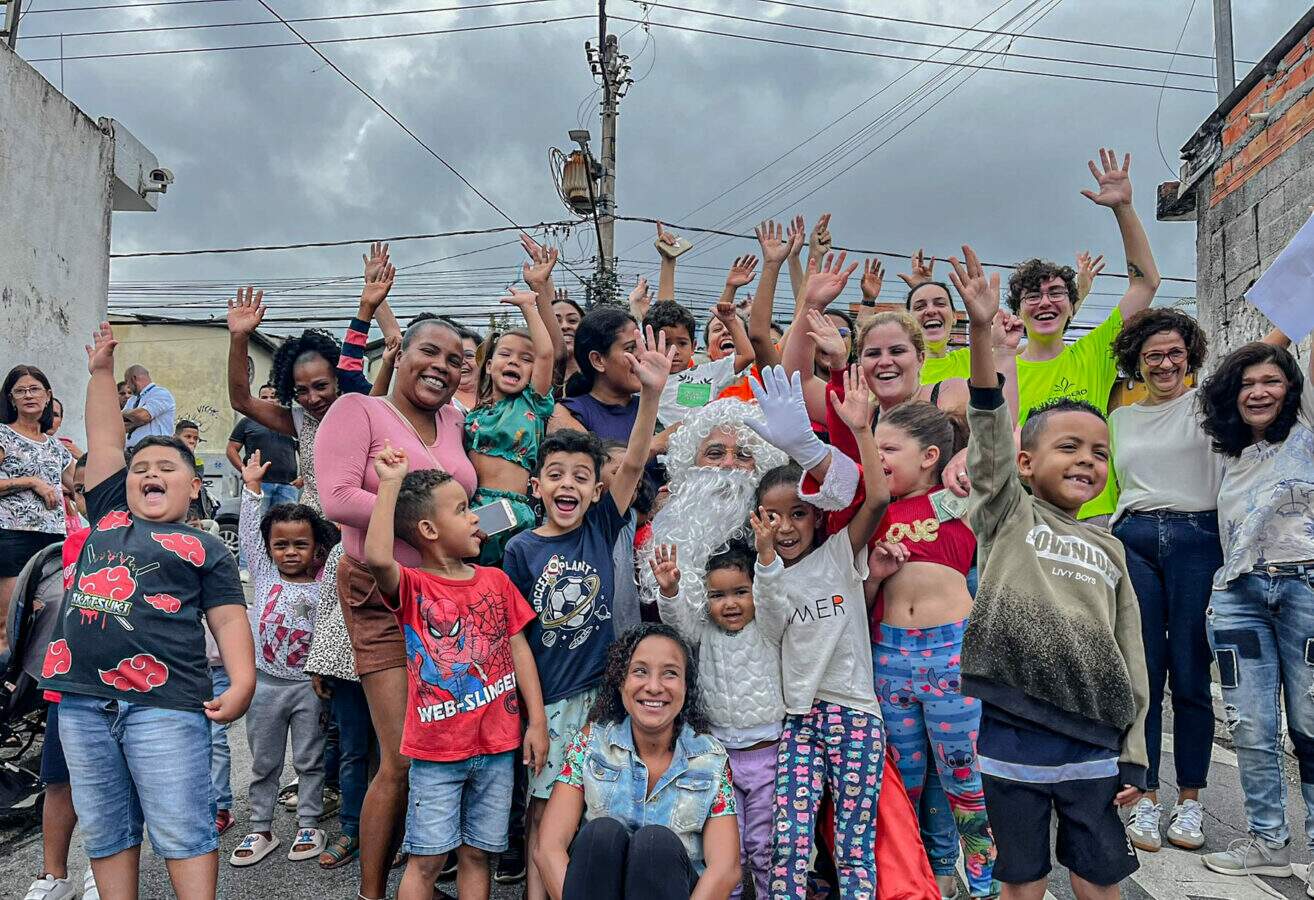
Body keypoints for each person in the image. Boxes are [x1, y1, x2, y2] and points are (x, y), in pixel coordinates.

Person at [957, 245, 1149, 900]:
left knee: (1101, 879)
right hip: (1011, 744)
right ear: (1027, 464)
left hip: (1093, 747)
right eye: (1068, 447)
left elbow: (1132, 655)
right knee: (1022, 881)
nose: (1088, 460)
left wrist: (1136, 752)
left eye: (1099, 452)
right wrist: (984, 332)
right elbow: (987, 423)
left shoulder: (1111, 550)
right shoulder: (1007, 513)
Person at [39, 323, 255, 898]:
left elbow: (229, 617)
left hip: (165, 703)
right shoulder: (108, 515)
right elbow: (107, 439)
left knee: (182, 825)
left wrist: (242, 678)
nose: (150, 473)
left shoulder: (206, 547)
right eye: (141, 469)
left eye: (167, 469)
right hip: (83, 699)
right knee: (107, 828)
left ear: (193, 490)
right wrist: (102, 375)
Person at [504, 325, 673, 900]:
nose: (568, 483)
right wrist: (535, 719)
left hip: (606, 701)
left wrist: (649, 396)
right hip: (551, 705)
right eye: (556, 476)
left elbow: (630, 467)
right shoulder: (521, 550)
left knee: (600, 819)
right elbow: (518, 640)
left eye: (582, 476)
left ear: (597, 490)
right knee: (543, 822)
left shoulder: (603, 525)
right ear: (537, 487)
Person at [315, 316, 478, 900]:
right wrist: (430, 525)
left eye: (455, 359)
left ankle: (420, 877)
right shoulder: (357, 410)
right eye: (428, 351)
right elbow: (336, 497)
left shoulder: (456, 419)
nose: (441, 365)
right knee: (402, 754)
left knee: (442, 750)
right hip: (378, 591)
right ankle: (371, 893)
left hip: (445, 596)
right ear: (402, 353)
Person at [363, 448, 548, 900]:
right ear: (428, 530)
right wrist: (389, 484)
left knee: (478, 855)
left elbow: (518, 649)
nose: (474, 518)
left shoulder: (496, 580)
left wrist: (537, 721)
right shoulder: (412, 585)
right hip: (436, 754)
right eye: (462, 509)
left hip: (499, 745)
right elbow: (377, 559)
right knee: (426, 861)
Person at [868, 401, 997, 898]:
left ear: (929, 456)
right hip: (890, 657)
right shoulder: (873, 509)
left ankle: (984, 886)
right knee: (905, 785)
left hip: (951, 654)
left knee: (964, 778)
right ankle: (924, 878)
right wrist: (876, 574)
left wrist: (962, 460)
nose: (876, 457)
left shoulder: (961, 499)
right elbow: (862, 596)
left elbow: (1002, 442)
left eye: (888, 448)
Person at [1196, 339, 1314, 879]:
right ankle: (1269, 842)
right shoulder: (1225, 448)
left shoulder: (1308, 430)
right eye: (1246, 384)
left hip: (1305, 588)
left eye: (1271, 381)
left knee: (1311, 721)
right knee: (1250, 725)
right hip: (1238, 595)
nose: (1258, 392)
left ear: (1292, 389)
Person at [1106, 310, 1222, 853]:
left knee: (1193, 676)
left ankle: (1191, 802)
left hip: (1199, 538)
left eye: (1175, 352)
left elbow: (1266, 355)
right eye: (1153, 354)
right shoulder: (1120, 419)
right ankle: (1145, 797)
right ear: (1137, 361)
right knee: (1143, 676)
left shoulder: (1210, 405)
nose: (1165, 362)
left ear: (1191, 355)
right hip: (1134, 540)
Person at [533, 623, 743, 900]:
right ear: (621, 681)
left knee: (655, 845)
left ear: (685, 686)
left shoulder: (710, 758)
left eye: (670, 674)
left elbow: (725, 868)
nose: (654, 687)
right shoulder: (590, 743)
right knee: (601, 834)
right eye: (640, 671)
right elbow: (548, 848)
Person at [651, 512, 786, 900]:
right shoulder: (704, 632)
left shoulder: (768, 626)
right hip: (721, 759)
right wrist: (671, 591)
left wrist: (765, 557)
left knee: (764, 846)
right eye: (718, 595)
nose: (730, 603)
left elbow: (774, 600)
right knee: (728, 850)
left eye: (740, 592)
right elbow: (677, 626)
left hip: (767, 756)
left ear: (755, 592)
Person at [225, 243, 401, 514]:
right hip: (312, 532)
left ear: (339, 379)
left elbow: (388, 350)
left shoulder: (361, 408)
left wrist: (368, 306)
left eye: (321, 386)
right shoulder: (298, 420)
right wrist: (239, 338)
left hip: (362, 529)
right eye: (301, 391)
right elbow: (242, 401)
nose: (313, 398)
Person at [226, 451, 337, 867]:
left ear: (316, 548)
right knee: (264, 759)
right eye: (281, 545)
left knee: (309, 758)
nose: (290, 552)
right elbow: (252, 539)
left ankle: (309, 823)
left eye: (300, 545)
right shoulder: (265, 573)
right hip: (266, 686)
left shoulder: (326, 579)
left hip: (308, 686)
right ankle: (261, 827)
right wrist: (252, 488)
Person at [25, 454, 98, 900]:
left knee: (111, 782)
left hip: (122, 686)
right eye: (78, 491)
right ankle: (55, 876)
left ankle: (101, 865)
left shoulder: (151, 541)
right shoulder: (75, 543)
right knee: (60, 780)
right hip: (67, 681)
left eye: (97, 488)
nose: (86, 498)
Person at [465, 279, 562, 564]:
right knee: (473, 582)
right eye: (505, 354)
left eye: (525, 358)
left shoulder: (532, 402)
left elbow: (546, 353)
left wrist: (528, 307)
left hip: (511, 509)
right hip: (472, 507)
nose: (514, 362)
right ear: (490, 365)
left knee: (506, 582)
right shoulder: (474, 414)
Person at [304, 544, 377, 871]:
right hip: (346, 663)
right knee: (353, 750)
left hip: (398, 661)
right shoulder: (343, 548)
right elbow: (327, 605)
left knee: (397, 756)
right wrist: (317, 662)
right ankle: (352, 829)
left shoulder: (411, 535)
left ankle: (394, 832)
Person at [0, 365, 75, 648]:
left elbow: (81, 488)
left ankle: (30, 690)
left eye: (35, 389)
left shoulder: (56, 447)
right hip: (11, 536)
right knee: (7, 624)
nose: (28, 395)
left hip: (53, 542)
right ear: (11, 399)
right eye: (20, 390)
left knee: (47, 622)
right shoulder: (3, 435)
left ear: (48, 396)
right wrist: (31, 481)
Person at [642, 253, 755, 426]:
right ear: (649, 345)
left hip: (703, 447)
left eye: (682, 343)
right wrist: (668, 262)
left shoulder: (708, 373)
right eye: (666, 344)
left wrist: (730, 320)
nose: (674, 351)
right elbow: (663, 308)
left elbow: (747, 356)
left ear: (694, 346)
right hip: (664, 449)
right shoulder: (643, 379)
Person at [227, 384, 300, 511]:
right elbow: (231, 449)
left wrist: (303, 477)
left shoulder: (291, 423)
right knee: (256, 526)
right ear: (258, 400)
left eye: (274, 396)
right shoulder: (247, 422)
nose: (269, 400)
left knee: (287, 526)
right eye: (264, 397)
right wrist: (244, 470)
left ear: (280, 399)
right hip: (258, 485)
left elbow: (306, 450)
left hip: (288, 486)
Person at [120, 364, 176, 449]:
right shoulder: (132, 400)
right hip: (132, 453)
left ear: (134, 379)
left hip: (157, 450)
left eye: (127, 381)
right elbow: (120, 425)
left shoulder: (160, 393)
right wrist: (136, 421)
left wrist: (126, 413)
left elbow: (142, 416)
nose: (127, 386)